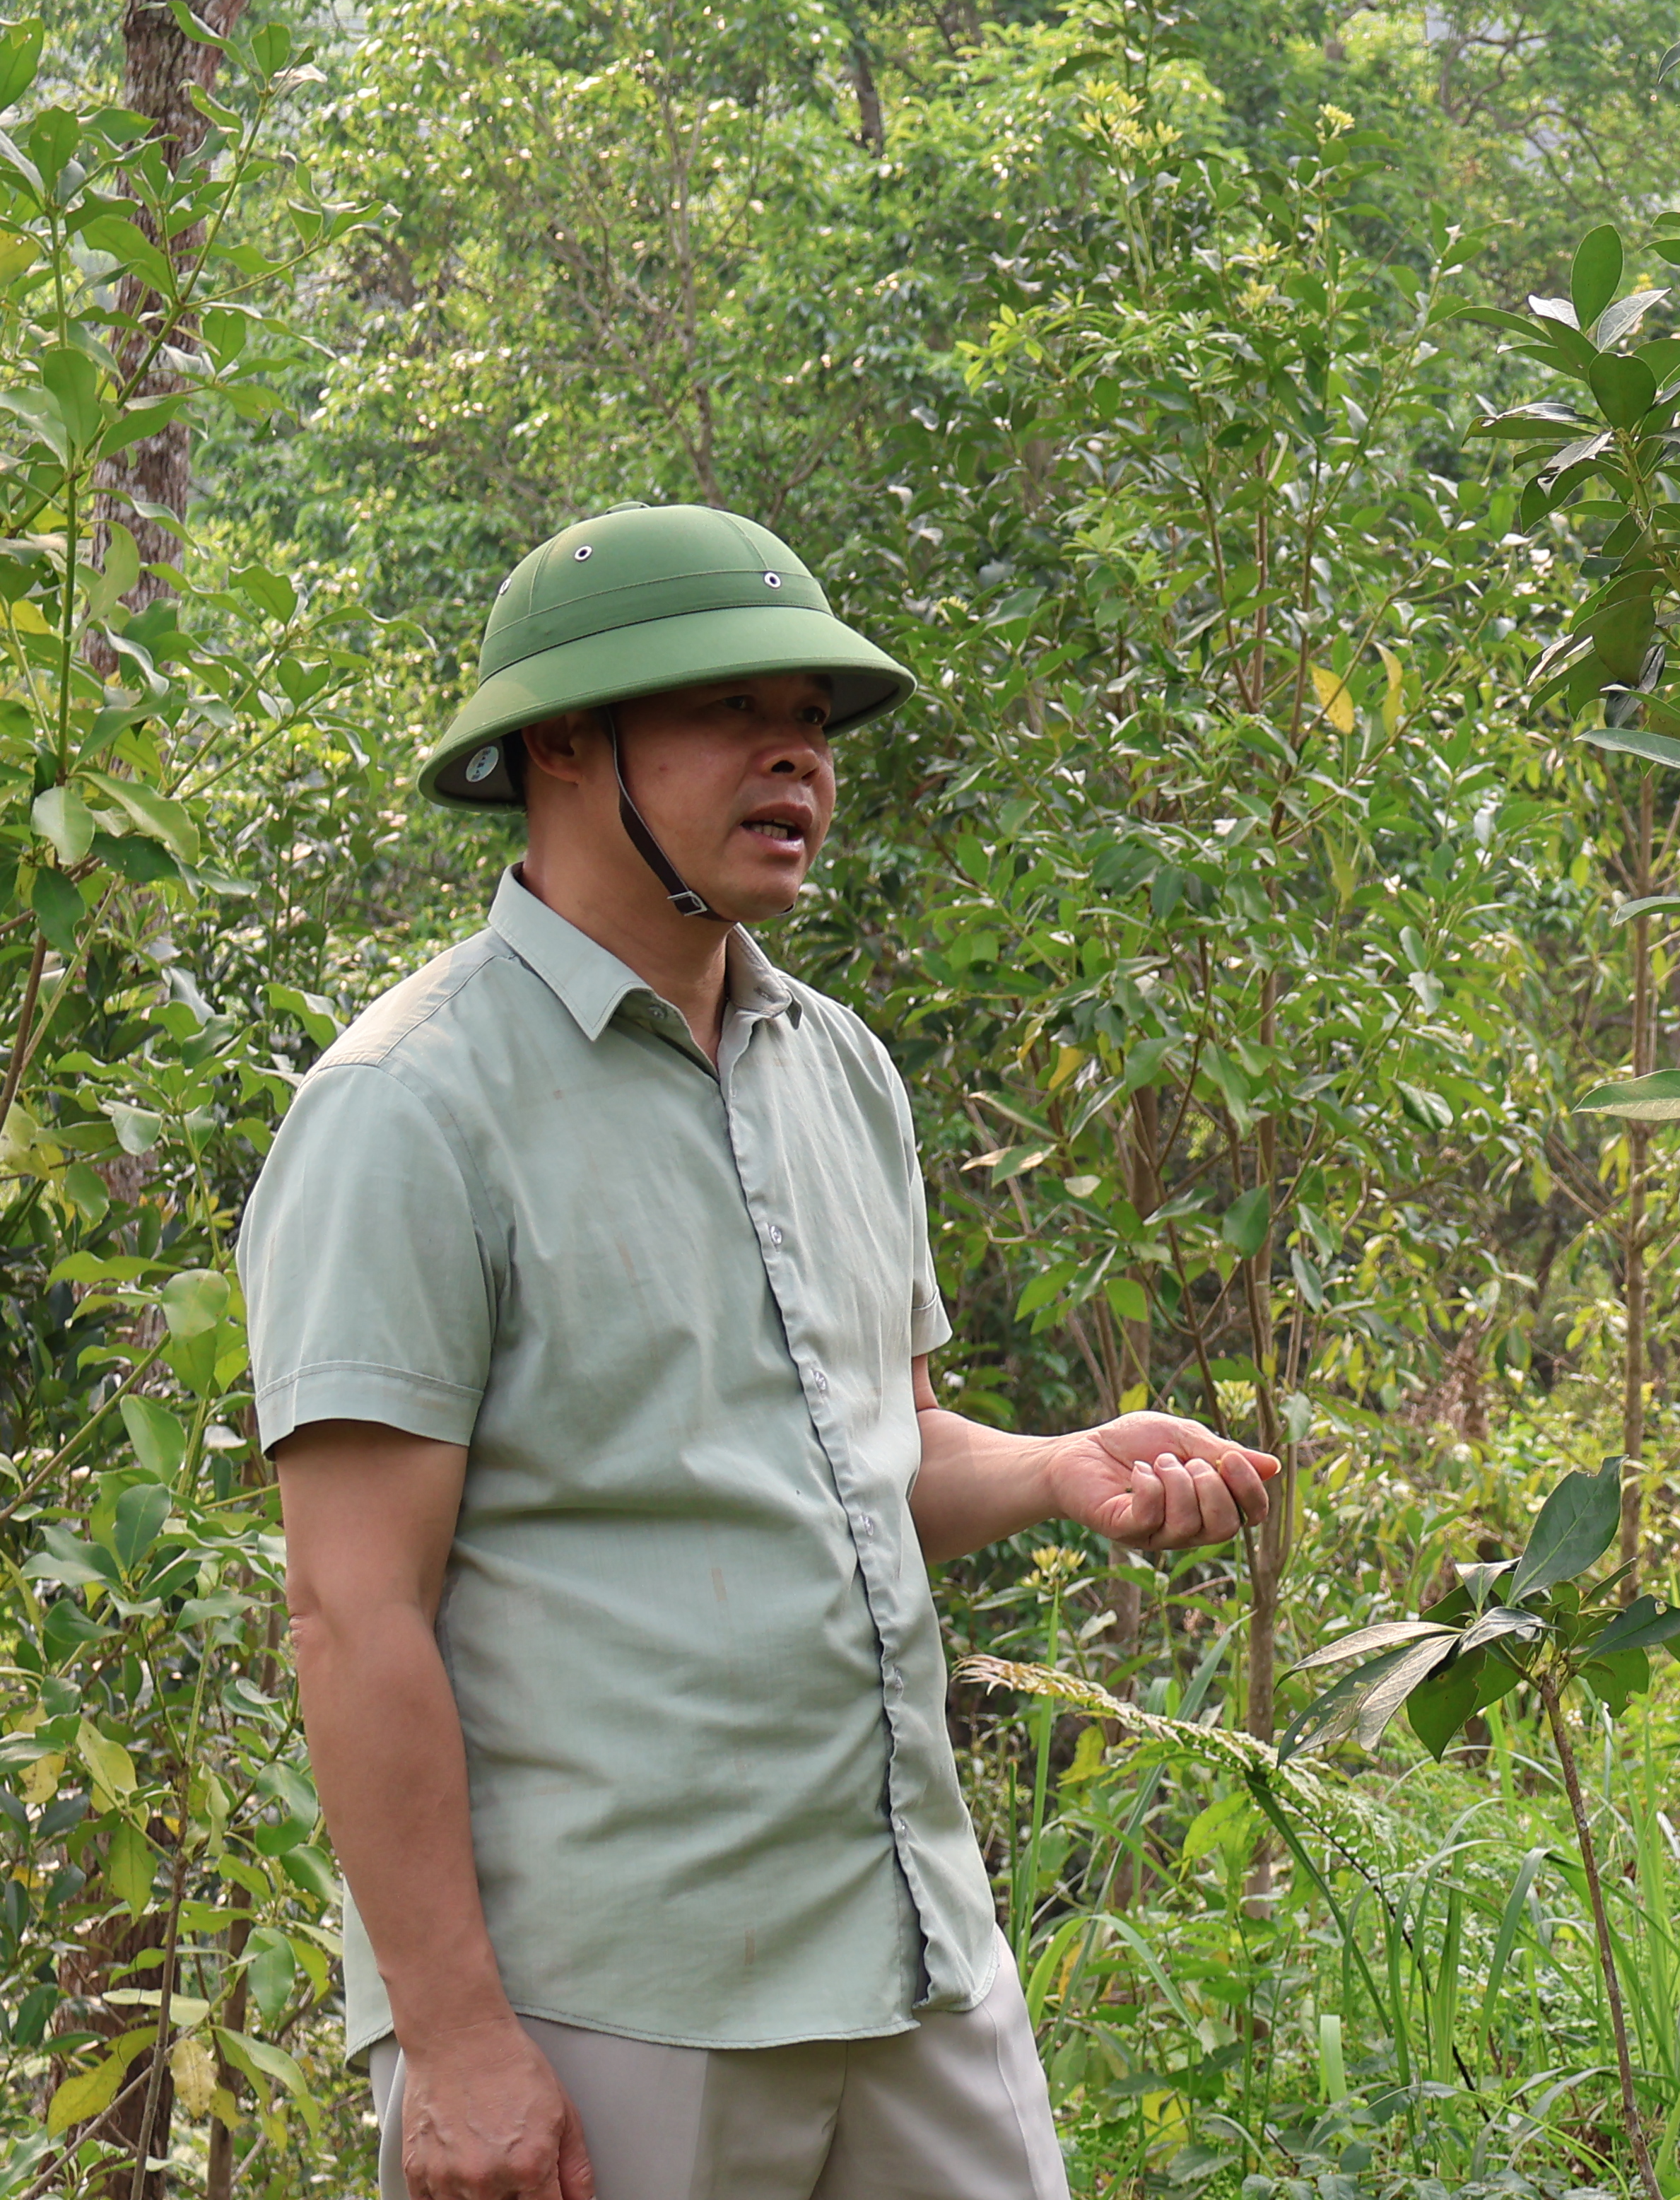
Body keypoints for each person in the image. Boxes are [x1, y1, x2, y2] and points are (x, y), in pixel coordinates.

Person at [240, 505, 1283, 2200]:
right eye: (733, 710)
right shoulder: (407, 1111)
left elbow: (873, 1453)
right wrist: (455, 2039)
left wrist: (1054, 1467)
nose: (795, 755)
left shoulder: (840, 1068)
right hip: (613, 1998)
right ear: (564, 744)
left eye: (810, 718)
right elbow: (352, 1612)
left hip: (911, 1949)